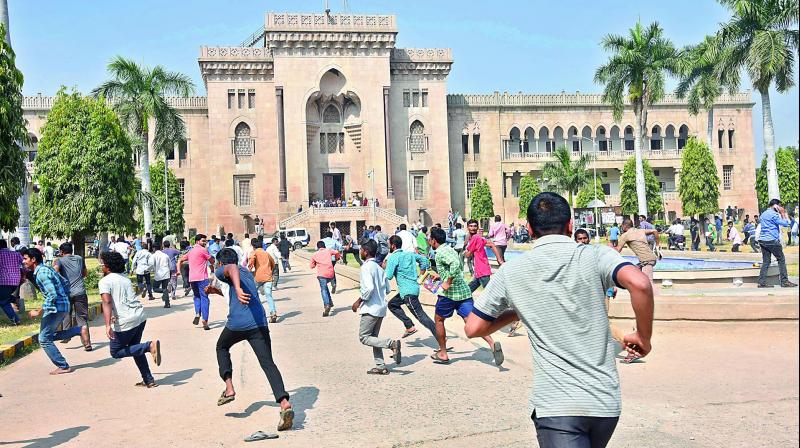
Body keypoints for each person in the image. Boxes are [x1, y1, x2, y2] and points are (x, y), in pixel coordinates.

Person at [464, 192, 655, 448]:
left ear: (529, 228)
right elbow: (641, 283)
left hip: (558, 406)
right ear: (570, 225)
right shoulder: (596, 255)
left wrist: (522, 308)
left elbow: (473, 327)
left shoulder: (512, 271)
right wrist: (643, 337)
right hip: (604, 404)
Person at [208, 248, 295, 431]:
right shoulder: (246, 272)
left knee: (221, 347)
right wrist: (218, 291)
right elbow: (234, 288)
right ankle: (284, 402)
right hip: (259, 324)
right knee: (268, 364)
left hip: (238, 324)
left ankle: (229, 388)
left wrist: (237, 289)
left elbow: (231, 270)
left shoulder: (227, 268)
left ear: (220, 263)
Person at [427, 227, 504, 366]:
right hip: (463, 292)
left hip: (449, 295)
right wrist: (441, 276)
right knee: (472, 323)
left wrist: (447, 282)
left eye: (429, 238)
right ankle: (492, 344)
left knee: (438, 320)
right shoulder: (449, 249)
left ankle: (443, 353)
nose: (428, 240)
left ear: (433, 241)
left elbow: (455, 264)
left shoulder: (440, 252)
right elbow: (455, 266)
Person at [98, 251, 161, 387]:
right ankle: (148, 379)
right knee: (135, 348)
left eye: (102, 264)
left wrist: (107, 325)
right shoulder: (124, 278)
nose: (101, 266)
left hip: (126, 321)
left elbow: (106, 302)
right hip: (140, 317)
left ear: (108, 266)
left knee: (115, 352)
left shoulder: (105, 281)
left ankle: (149, 346)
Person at [23, 248, 82, 375]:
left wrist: (38, 312)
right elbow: (64, 282)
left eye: (25, 258)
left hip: (56, 308)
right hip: (60, 306)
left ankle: (63, 366)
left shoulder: (42, 273)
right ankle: (78, 330)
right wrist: (65, 299)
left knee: (44, 339)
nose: (23, 261)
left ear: (33, 260)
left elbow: (52, 295)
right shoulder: (47, 268)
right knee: (46, 336)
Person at [351, 240, 402, 375]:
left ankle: (391, 343)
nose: (360, 252)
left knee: (364, 337)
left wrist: (358, 301)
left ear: (366, 252)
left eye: (361, 250)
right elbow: (388, 289)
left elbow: (369, 288)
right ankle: (380, 366)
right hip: (381, 308)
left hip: (371, 308)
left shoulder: (366, 267)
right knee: (374, 337)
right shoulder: (379, 268)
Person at [384, 235, 437, 340]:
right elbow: (425, 261)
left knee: (421, 317)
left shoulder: (392, 257)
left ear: (393, 246)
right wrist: (421, 272)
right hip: (411, 290)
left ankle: (440, 336)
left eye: (389, 244)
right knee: (392, 304)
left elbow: (388, 276)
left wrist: (385, 267)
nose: (388, 246)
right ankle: (409, 326)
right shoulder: (410, 254)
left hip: (407, 293)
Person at [53, 242, 92, 350]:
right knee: (82, 319)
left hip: (66, 293)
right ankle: (87, 343)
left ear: (61, 252)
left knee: (66, 314)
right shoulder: (79, 258)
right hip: (80, 292)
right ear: (71, 250)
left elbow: (54, 271)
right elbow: (85, 273)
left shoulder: (59, 260)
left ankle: (67, 335)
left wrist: (62, 280)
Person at [757, 199, 797, 288]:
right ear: (775, 206)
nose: (780, 207)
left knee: (766, 261)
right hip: (771, 240)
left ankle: (761, 281)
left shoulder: (763, 214)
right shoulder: (773, 215)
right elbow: (786, 224)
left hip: (763, 240)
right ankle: (784, 281)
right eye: (779, 206)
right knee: (781, 259)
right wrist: (783, 213)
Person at [179, 234, 214, 330]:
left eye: (205, 241)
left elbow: (181, 259)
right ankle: (205, 320)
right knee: (205, 298)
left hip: (192, 279)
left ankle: (197, 313)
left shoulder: (191, 251)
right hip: (202, 278)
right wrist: (212, 259)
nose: (205, 242)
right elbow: (211, 261)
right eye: (203, 241)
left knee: (197, 297)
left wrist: (178, 271)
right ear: (197, 241)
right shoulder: (203, 250)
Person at [464, 219, 505, 292]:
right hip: (480, 271)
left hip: (482, 271)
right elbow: (492, 244)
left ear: (477, 227)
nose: (473, 228)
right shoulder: (479, 238)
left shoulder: (475, 238)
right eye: (471, 226)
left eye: (475, 226)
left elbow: (468, 255)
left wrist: (465, 251)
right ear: (467, 227)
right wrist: (500, 260)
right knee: (467, 291)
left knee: (490, 294)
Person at [248, 238, 278, 323]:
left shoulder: (254, 252)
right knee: (269, 295)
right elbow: (273, 263)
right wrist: (269, 271)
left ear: (253, 246)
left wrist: (249, 267)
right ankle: (273, 312)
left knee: (252, 294)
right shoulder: (266, 253)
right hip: (268, 277)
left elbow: (251, 261)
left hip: (258, 278)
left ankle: (254, 313)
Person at [310, 241, 341, 317]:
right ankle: (330, 301)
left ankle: (327, 305)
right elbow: (337, 252)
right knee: (326, 287)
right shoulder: (328, 250)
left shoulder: (314, 254)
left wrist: (315, 263)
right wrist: (337, 258)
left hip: (321, 274)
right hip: (330, 273)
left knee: (323, 289)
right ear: (324, 246)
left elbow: (311, 266)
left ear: (318, 247)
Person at [0, 239, 23, 325]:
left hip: (3, 281)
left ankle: (16, 320)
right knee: (3, 296)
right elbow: (24, 264)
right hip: (15, 281)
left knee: (3, 301)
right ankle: (15, 299)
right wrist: (23, 275)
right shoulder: (16, 254)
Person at [151, 243, 172, 308]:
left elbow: (151, 265)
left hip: (159, 274)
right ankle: (167, 303)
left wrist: (148, 270)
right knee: (165, 288)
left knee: (155, 288)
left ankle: (164, 291)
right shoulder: (165, 255)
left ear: (154, 248)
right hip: (166, 273)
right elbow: (170, 265)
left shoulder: (154, 255)